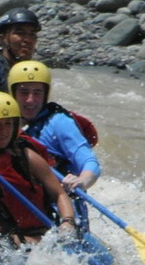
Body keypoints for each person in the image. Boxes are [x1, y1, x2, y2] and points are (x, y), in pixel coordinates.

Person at [0, 91, 77, 245]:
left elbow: (58, 193)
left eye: (8, 124)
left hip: (39, 237)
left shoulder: (27, 157)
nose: (3, 131)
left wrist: (68, 221)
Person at [7, 60, 100, 193]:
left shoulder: (60, 122)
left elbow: (89, 161)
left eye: (37, 93)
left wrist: (83, 180)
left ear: (45, 95)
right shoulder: (4, 125)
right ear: (13, 94)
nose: (30, 100)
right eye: (24, 92)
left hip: (59, 202)